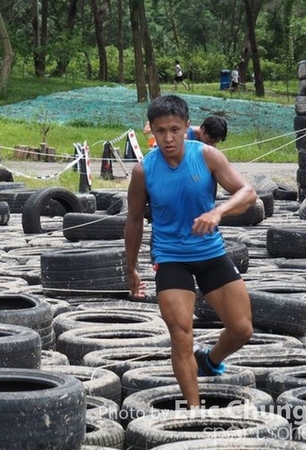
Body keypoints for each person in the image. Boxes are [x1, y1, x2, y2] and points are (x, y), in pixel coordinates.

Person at [124, 95, 256, 408]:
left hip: (211, 253)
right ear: (151, 131)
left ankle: (209, 361)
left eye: (174, 129)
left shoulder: (207, 155)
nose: (168, 138)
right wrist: (131, 267)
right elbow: (133, 220)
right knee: (182, 335)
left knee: (241, 330)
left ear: (187, 126)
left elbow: (248, 192)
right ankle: (193, 412)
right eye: (160, 131)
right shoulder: (144, 171)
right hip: (170, 257)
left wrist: (218, 212)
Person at [144, 116, 227, 150]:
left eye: (215, 142)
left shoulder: (211, 139)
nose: (211, 145)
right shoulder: (185, 136)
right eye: (210, 141)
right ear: (203, 129)